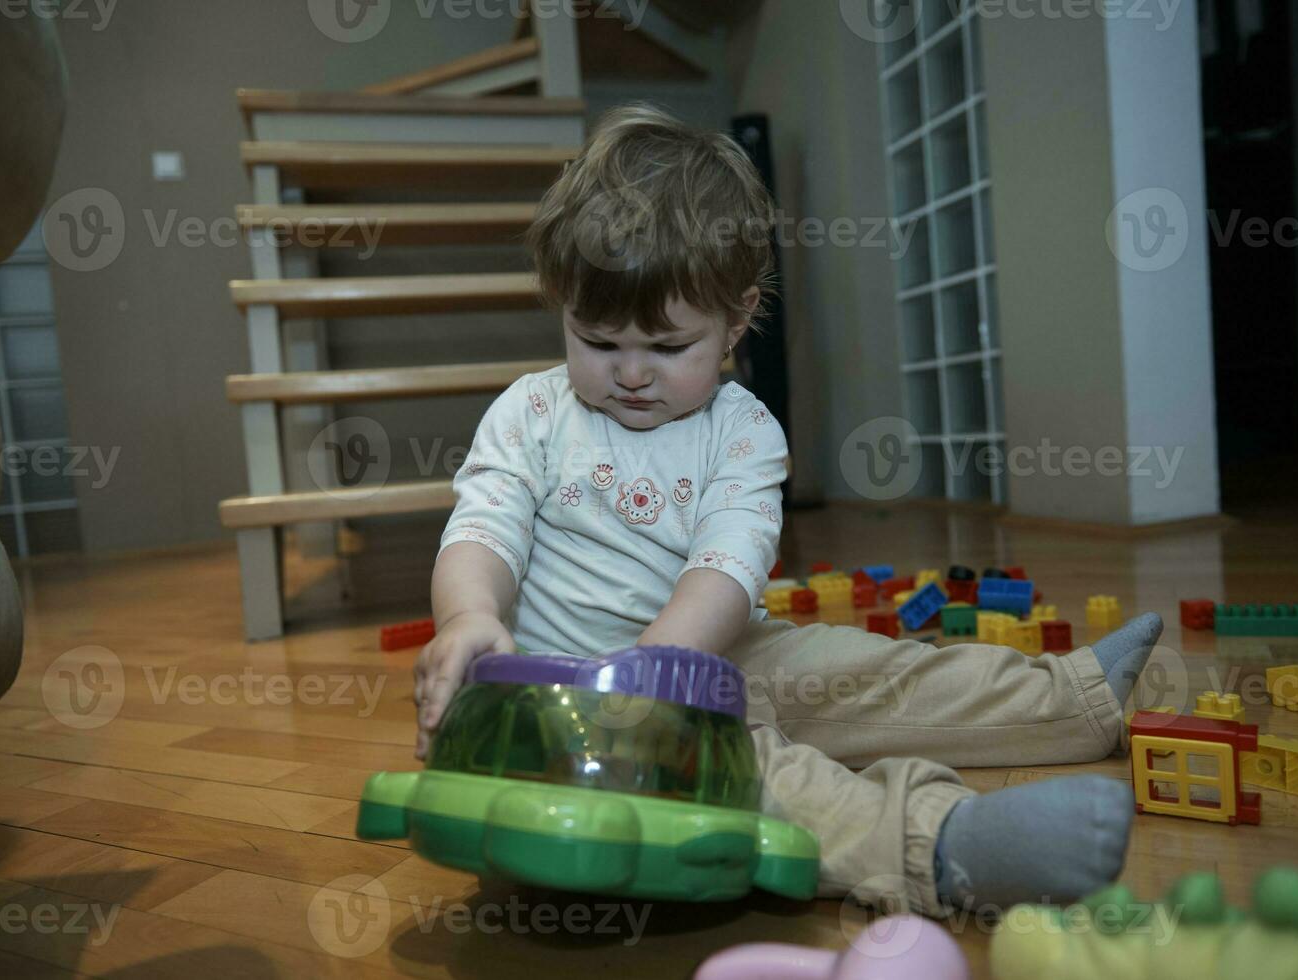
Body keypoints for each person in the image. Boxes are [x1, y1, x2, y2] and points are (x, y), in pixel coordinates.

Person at [413, 102, 1161, 917]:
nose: (630, 372)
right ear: (562, 305)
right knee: (761, 775)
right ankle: (942, 842)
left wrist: (662, 660)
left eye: (667, 348)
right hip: (562, 715)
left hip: (717, 650)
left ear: (737, 318)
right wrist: (467, 614)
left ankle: (1074, 701)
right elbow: (482, 527)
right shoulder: (529, 412)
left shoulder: (743, 430)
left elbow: (725, 567)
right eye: (597, 341)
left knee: (871, 669)